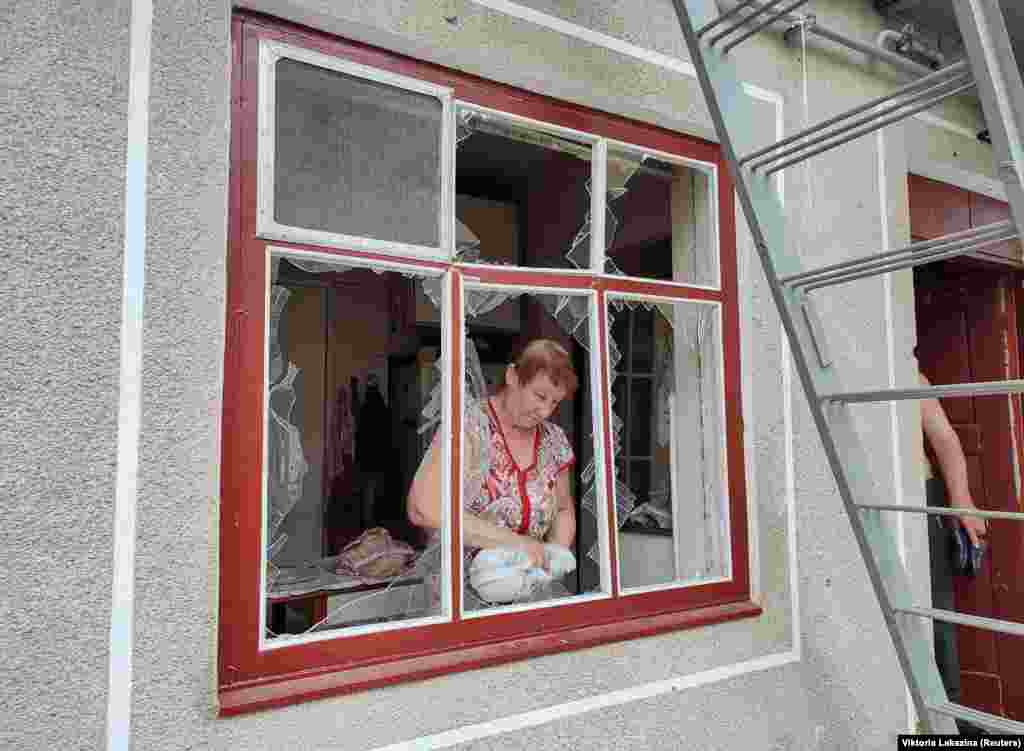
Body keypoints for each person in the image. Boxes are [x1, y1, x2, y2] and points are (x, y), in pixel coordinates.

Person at [407, 339, 578, 601]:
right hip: (461, 600)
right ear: (512, 376)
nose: (544, 411)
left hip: (528, 593)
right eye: (540, 396)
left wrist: (552, 557)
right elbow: (424, 508)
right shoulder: (470, 427)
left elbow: (564, 510)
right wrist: (519, 544)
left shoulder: (554, 440)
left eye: (555, 402)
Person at [919, 368, 988, 733]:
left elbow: (945, 440)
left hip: (918, 495)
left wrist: (962, 501)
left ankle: (953, 717)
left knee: (936, 607)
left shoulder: (910, 375)